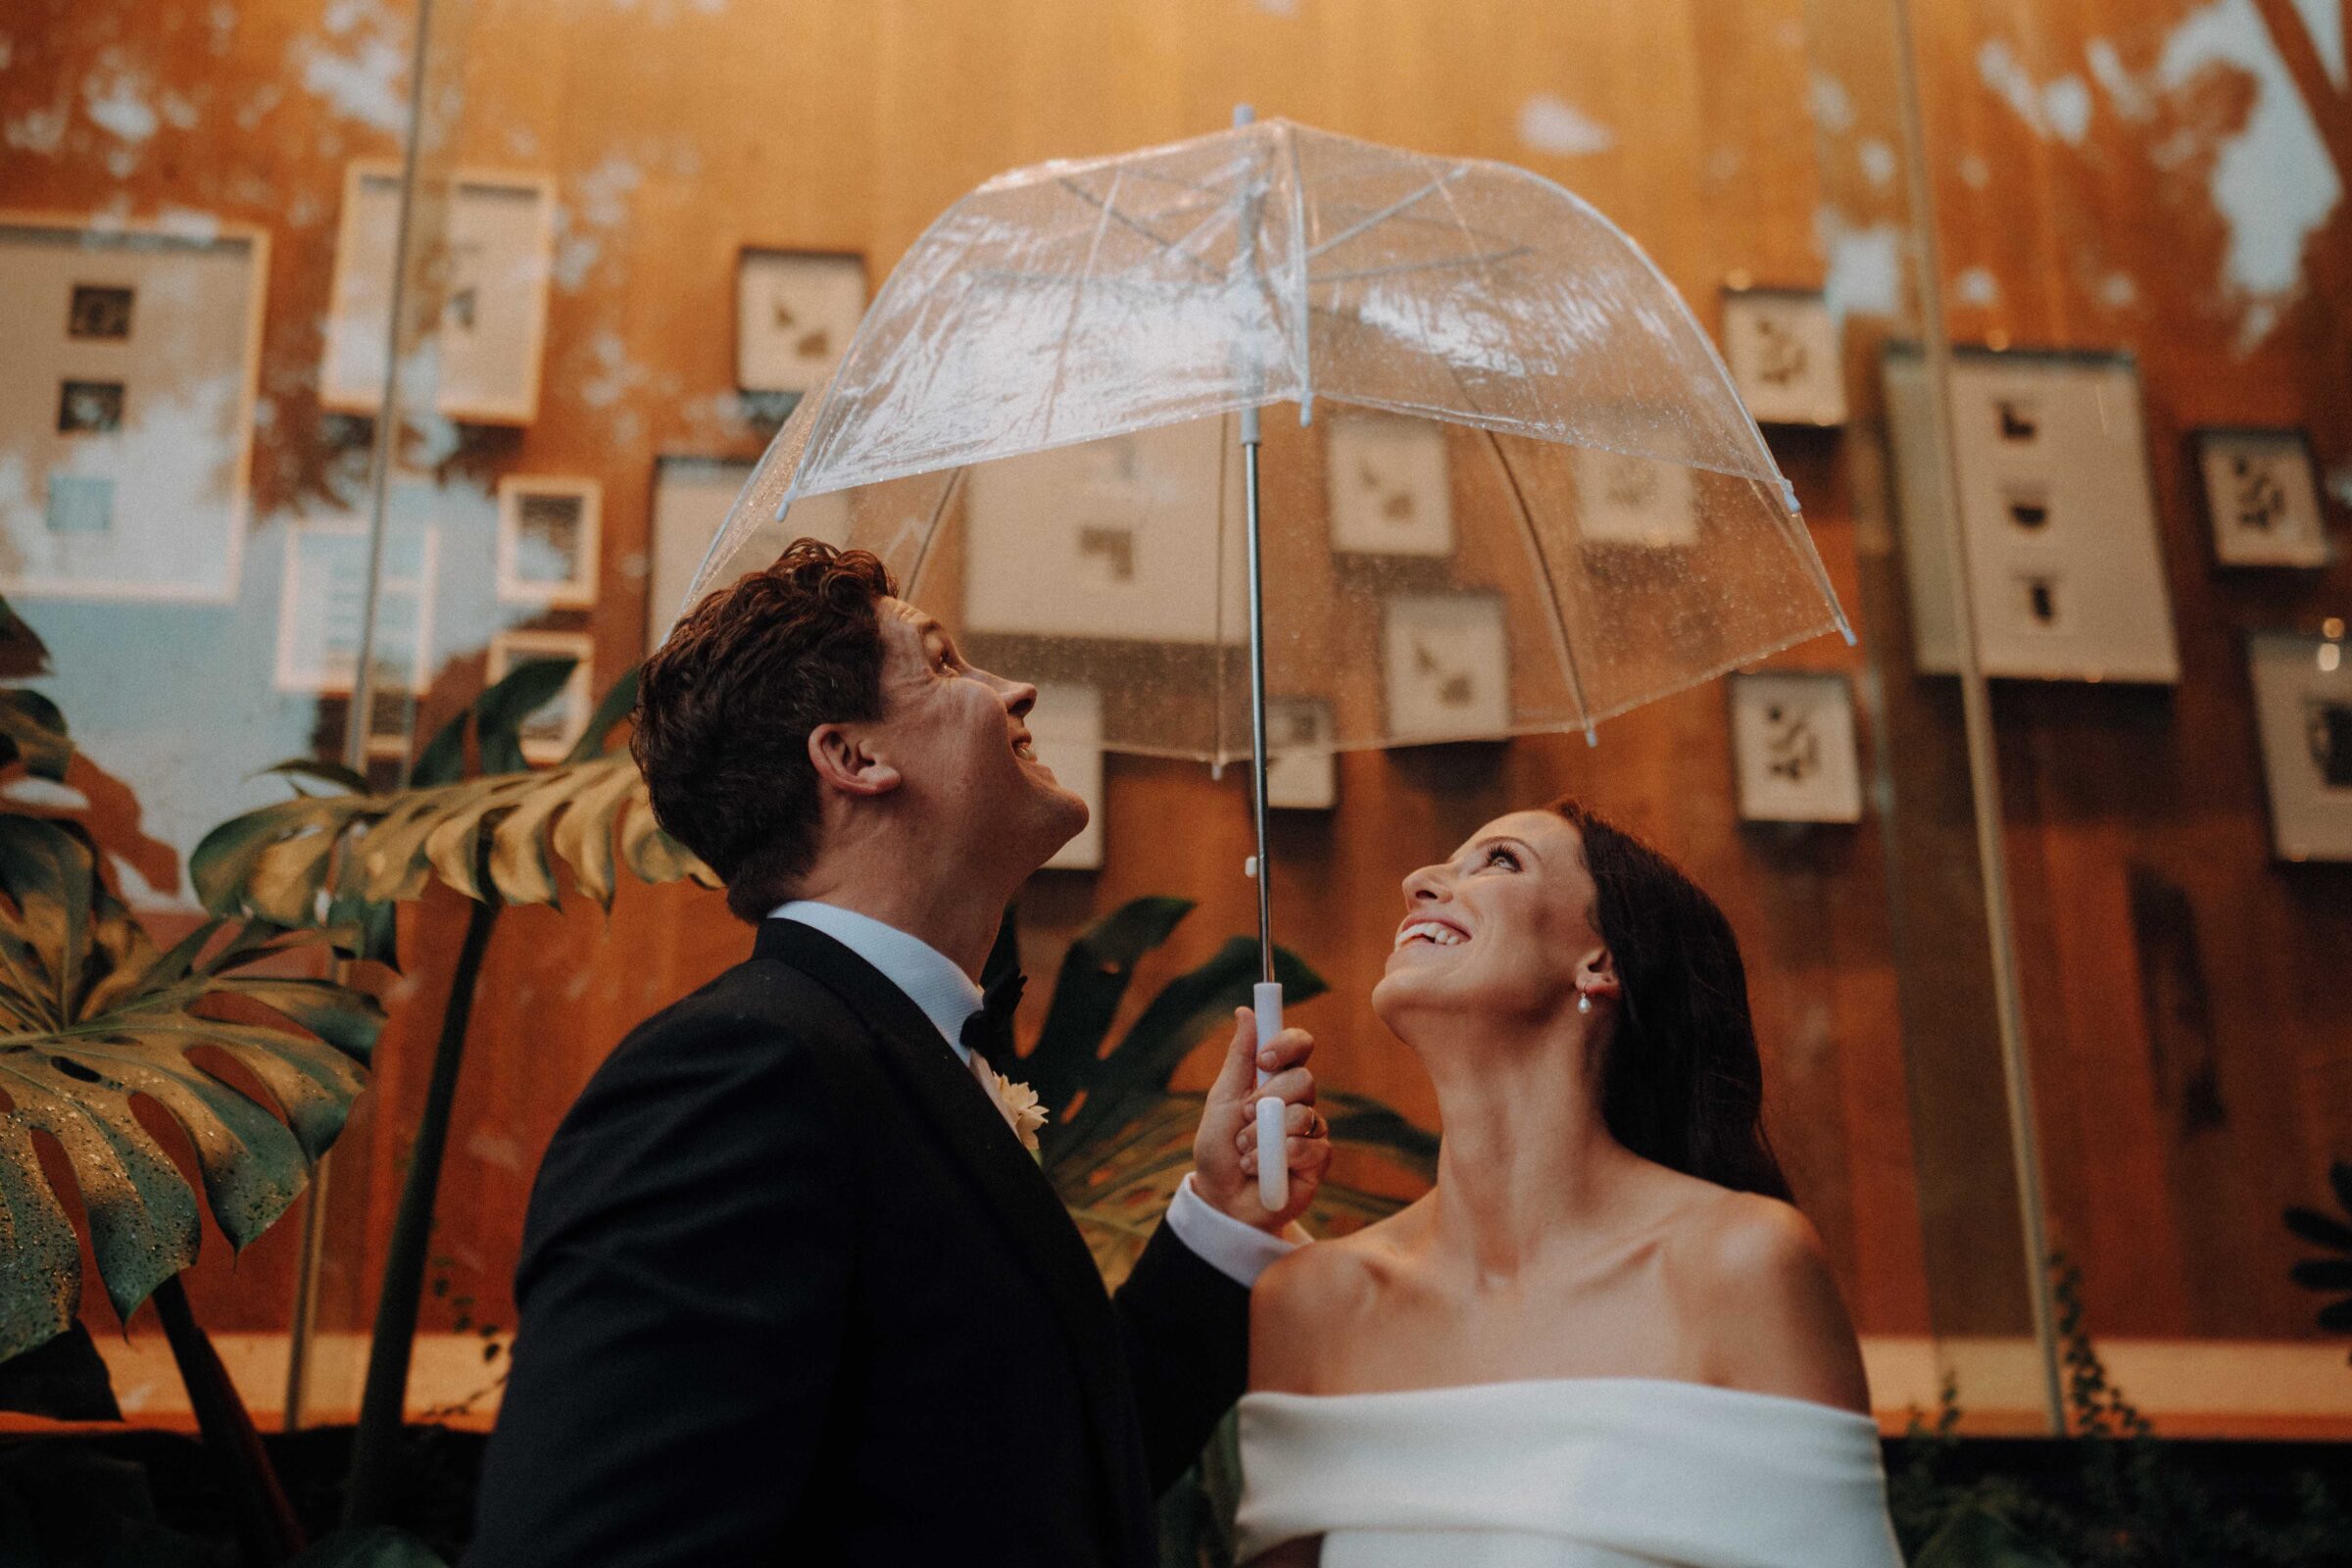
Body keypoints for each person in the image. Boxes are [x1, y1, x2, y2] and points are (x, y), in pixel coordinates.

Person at [466, 540, 1333, 1568]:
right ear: (854, 758)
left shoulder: (888, 1054)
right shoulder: (737, 1078)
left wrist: (1222, 1218)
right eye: (947, 663)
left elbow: (1034, 1484)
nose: (1019, 689)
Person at [1234, 801, 1901, 1568]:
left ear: (1601, 961)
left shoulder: (1739, 1265)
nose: (1420, 880)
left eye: (1501, 860)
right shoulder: (1313, 1304)